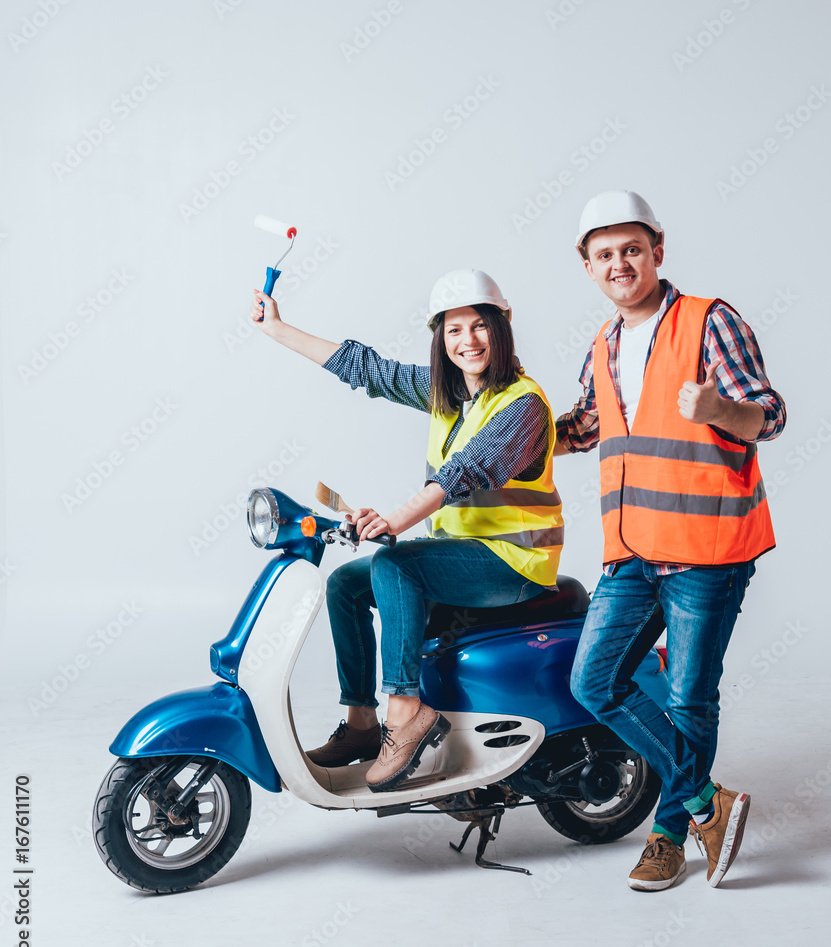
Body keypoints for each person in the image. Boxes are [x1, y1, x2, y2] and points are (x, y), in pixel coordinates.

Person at [249, 269, 563, 792]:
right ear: (440, 337)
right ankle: (362, 722)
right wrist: (278, 329)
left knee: (395, 564)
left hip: (515, 562)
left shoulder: (523, 404)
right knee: (345, 584)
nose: (468, 341)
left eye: (480, 326)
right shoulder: (449, 393)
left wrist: (394, 520)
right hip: (461, 552)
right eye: (454, 330)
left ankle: (406, 710)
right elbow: (370, 370)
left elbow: (465, 470)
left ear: (504, 324)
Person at [554, 191, 786, 890]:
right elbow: (584, 426)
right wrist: (510, 434)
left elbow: (770, 416)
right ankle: (707, 802)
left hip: (707, 548)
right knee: (594, 681)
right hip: (631, 548)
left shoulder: (710, 321)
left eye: (632, 249)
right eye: (604, 254)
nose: (619, 264)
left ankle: (666, 837)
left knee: (688, 698)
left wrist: (720, 409)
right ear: (587, 267)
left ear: (657, 250)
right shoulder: (603, 344)